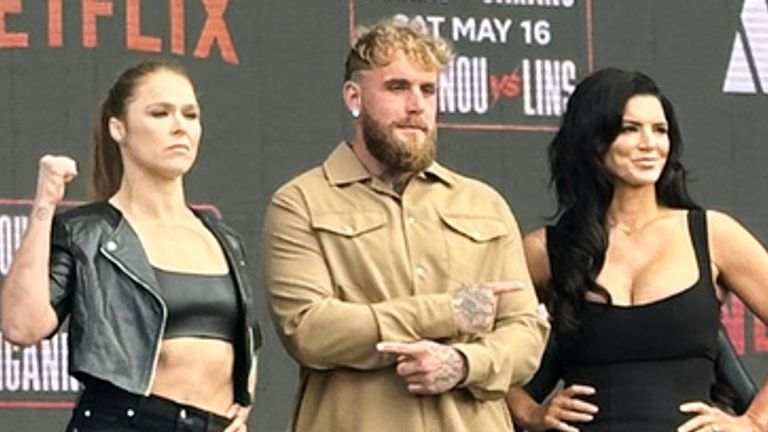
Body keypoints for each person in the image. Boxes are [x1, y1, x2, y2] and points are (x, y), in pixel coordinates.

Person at [262, 18, 549, 432]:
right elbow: (309, 331)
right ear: (354, 96)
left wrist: (463, 363)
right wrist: (448, 312)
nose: (416, 106)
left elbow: (525, 335)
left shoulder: (484, 204)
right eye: (397, 87)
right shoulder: (301, 202)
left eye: (428, 90)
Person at [0, 58, 261, 432]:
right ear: (118, 128)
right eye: (160, 113)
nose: (179, 127)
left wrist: (240, 407)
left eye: (190, 115)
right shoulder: (86, 232)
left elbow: (245, 338)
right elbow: (21, 326)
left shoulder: (222, 237)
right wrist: (44, 203)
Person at [505, 67, 768, 431]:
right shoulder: (545, 249)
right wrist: (527, 412)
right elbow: (477, 347)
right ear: (592, 139)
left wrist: (754, 421)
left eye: (660, 130)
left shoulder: (712, 234)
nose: (650, 144)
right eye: (630, 129)